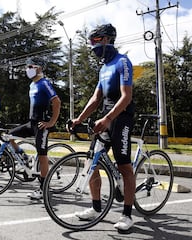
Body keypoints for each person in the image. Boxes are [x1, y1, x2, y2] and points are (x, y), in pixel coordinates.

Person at [67, 23, 135, 231]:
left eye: (95, 40)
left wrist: (107, 119)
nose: (92, 45)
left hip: (121, 117)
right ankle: (96, 208)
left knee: (124, 166)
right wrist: (78, 119)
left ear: (107, 39)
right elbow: (95, 98)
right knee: (91, 161)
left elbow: (126, 97)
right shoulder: (103, 67)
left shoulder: (122, 62)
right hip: (106, 116)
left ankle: (127, 215)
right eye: (91, 42)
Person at [9, 56, 61, 200]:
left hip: (41, 125)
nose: (28, 69)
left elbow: (56, 102)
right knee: (9, 136)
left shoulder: (44, 83)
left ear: (39, 68)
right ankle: (24, 157)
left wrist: (51, 122)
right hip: (31, 123)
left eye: (31, 67)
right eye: (27, 67)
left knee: (42, 155)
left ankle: (43, 189)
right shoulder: (32, 85)